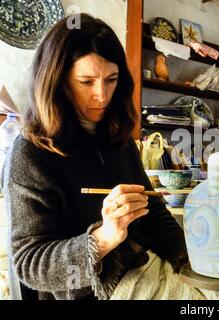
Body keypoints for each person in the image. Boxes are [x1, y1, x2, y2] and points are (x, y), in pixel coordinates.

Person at [1, 14, 188, 300]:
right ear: (57, 80)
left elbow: (154, 213)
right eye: (86, 81)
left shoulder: (118, 141)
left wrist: (192, 259)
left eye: (111, 80)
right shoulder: (31, 152)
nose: (101, 95)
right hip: (93, 291)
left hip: (143, 268)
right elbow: (30, 264)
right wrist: (102, 238)